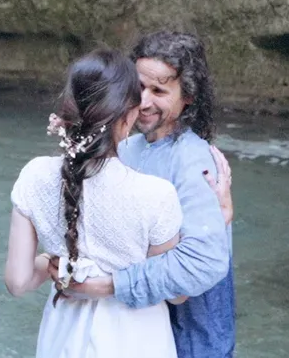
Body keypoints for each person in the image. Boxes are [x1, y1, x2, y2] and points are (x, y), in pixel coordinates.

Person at [61, 31, 237, 357]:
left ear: (189, 97)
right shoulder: (128, 147)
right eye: (139, 87)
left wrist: (111, 285)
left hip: (193, 337)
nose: (143, 101)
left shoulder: (192, 159)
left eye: (158, 90)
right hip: (136, 329)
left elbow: (205, 262)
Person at [3, 50, 186, 357]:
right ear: (128, 116)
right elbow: (178, 292)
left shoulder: (35, 175)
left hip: (63, 335)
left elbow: (17, 282)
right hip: (137, 338)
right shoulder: (156, 195)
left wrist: (53, 261)